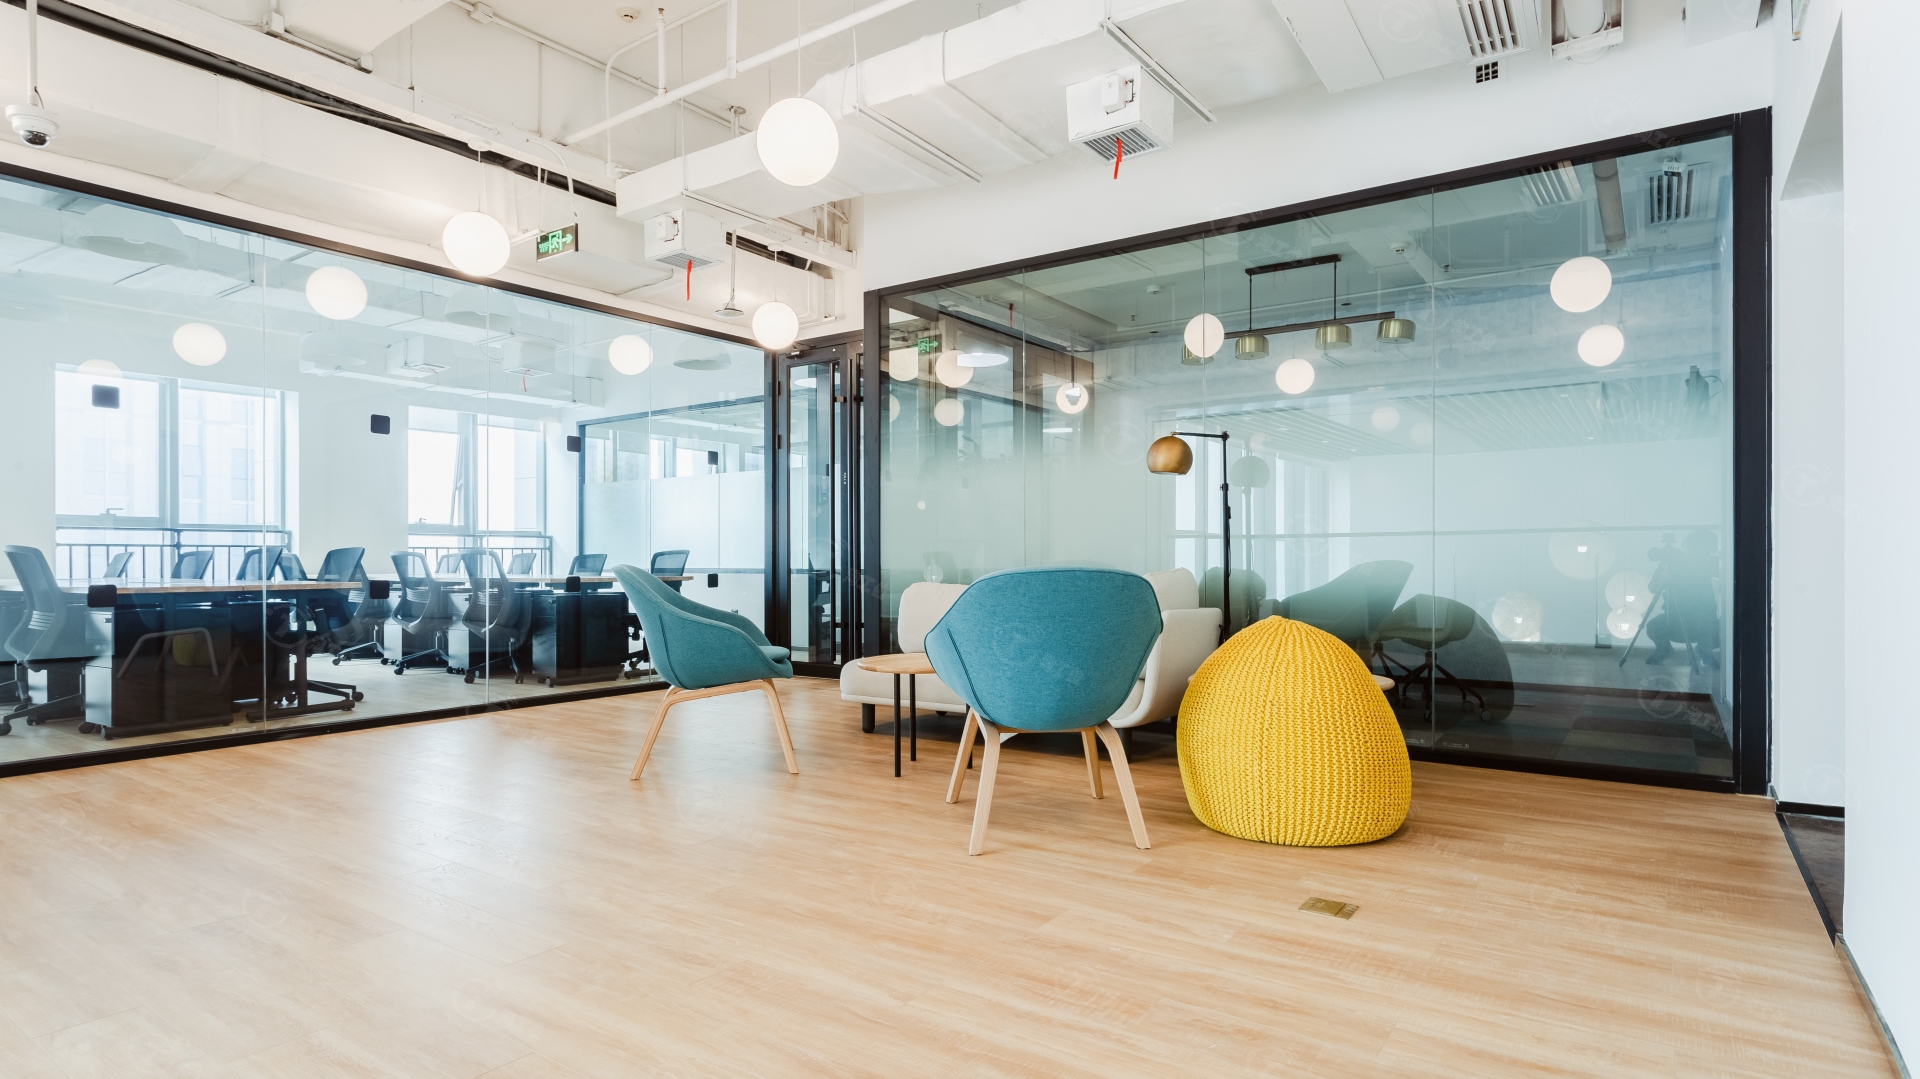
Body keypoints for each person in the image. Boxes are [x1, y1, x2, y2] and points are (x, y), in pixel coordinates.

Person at [1644, 529, 1721, 667]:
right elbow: (1652, 587)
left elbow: (1724, 582)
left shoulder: (1711, 564)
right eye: (1690, 546)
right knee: (1653, 627)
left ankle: (1704, 651)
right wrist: (1662, 579)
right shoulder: (1671, 563)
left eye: (1698, 547)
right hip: (1673, 619)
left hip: (1704, 620)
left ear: (1708, 549)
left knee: (1724, 630)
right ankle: (1664, 649)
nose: (1693, 551)